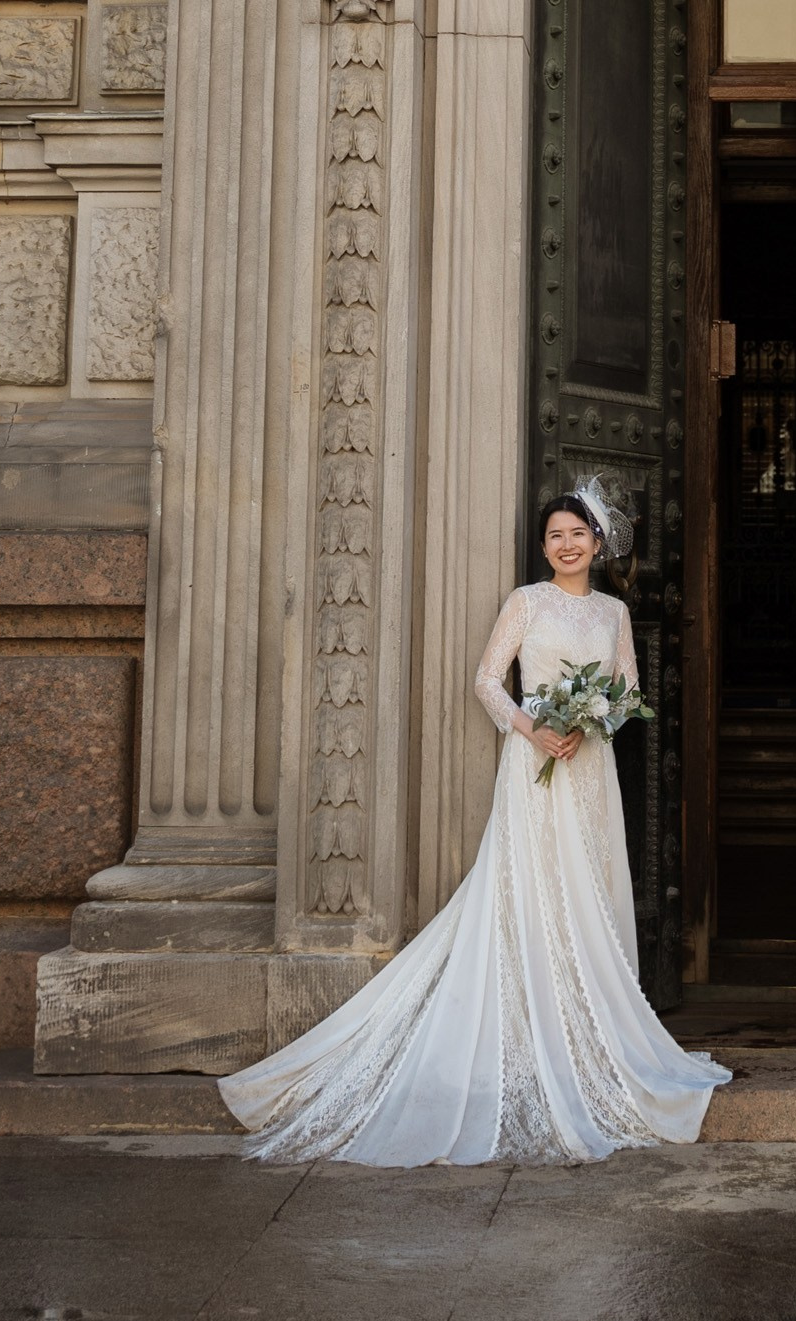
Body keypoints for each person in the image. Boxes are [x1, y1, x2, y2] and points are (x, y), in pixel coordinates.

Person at [219, 485, 728, 1163]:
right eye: (555, 536)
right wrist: (535, 724)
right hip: (533, 763)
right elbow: (488, 680)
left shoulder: (614, 612)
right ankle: (527, 1027)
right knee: (533, 887)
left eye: (578, 534)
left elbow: (631, 689)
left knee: (587, 886)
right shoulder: (526, 602)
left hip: (589, 766)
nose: (567, 545)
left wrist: (596, 714)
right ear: (544, 547)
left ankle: (588, 1031)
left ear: (598, 544)